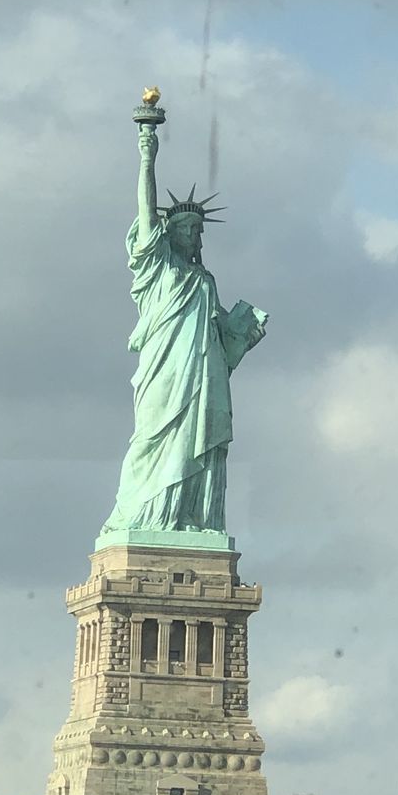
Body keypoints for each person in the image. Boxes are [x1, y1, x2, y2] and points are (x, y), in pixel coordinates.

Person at [100, 119, 268, 538]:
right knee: (151, 440)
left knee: (201, 440)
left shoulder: (205, 282)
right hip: (165, 370)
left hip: (204, 376)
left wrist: (242, 333)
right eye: (187, 229)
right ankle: (142, 516)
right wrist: (147, 155)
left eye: (199, 230)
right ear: (167, 235)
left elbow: (222, 343)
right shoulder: (158, 270)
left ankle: (191, 518)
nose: (195, 236)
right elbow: (145, 210)